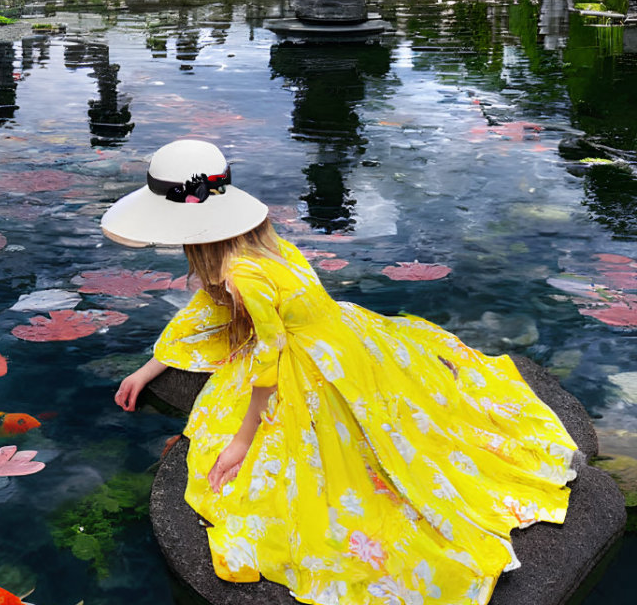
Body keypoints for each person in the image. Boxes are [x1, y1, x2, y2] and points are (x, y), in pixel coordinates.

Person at [104, 139, 577, 605]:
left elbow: (267, 364)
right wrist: (153, 366)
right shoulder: (267, 245)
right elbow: (208, 311)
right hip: (346, 336)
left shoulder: (240, 275)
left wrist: (243, 441)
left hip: (309, 363)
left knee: (301, 474)